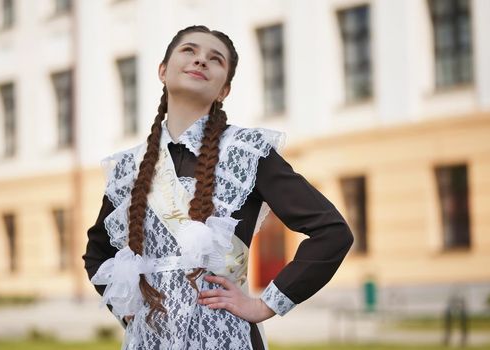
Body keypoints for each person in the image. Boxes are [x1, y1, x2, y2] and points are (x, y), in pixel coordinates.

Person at [83, 25, 354, 350]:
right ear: (162, 71)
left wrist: (265, 304)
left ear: (224, 89)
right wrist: (126, 311)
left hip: (227, 338)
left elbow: (332, 232)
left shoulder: (246, 152)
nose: (200, 61)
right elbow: (97, 253)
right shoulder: (129, 167)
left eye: (215, 59)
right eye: (189, 51)